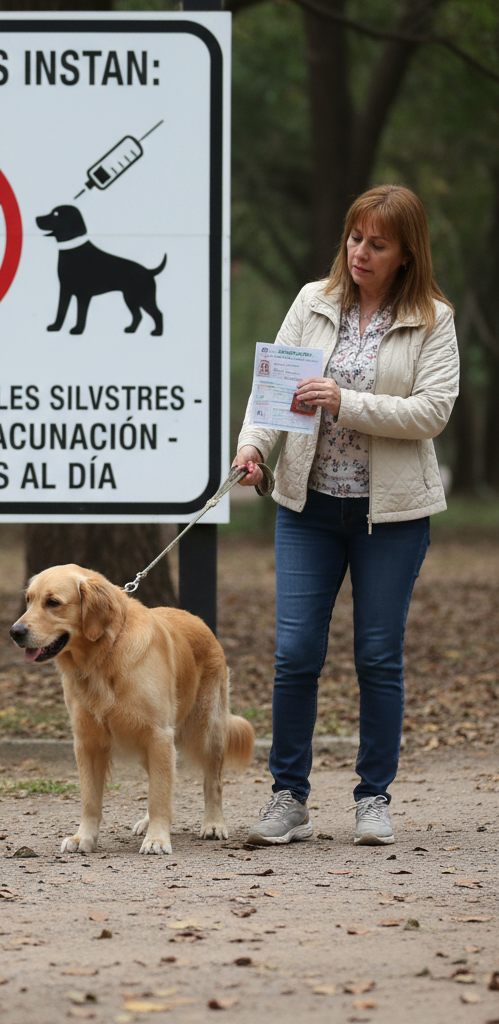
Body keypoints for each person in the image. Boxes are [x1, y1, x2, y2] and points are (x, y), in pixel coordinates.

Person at [233, 184, 459, 847]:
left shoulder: (433, 319)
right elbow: (273, 390)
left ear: (405, 253)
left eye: (378, 244)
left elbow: (432, 411)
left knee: (378, 656)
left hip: (390, 516)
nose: (361, 252)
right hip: (308, 506)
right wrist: (252, 447)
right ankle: (288, 798)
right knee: (296, 654)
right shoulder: (314, 301)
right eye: (355, 238)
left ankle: (372, 798)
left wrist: (347, 400)